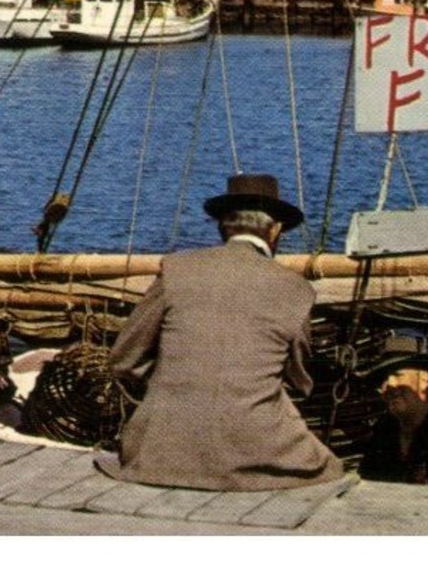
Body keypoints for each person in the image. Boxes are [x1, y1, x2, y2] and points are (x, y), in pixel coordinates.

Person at [101, 173, 344, 491]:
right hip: (259, 445)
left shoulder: (177, 269)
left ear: (222, 226)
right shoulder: (297, 289)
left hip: (159, 449)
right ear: (276, 231)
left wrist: (177, 381)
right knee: (332, 468)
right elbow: (301, 379)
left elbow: (123, 361)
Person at [356, 334, 428, 486]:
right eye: (384, 379)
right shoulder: (383, 429)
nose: (389, 385)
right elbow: (367, 480)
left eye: (397, 375)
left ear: (423, 381)